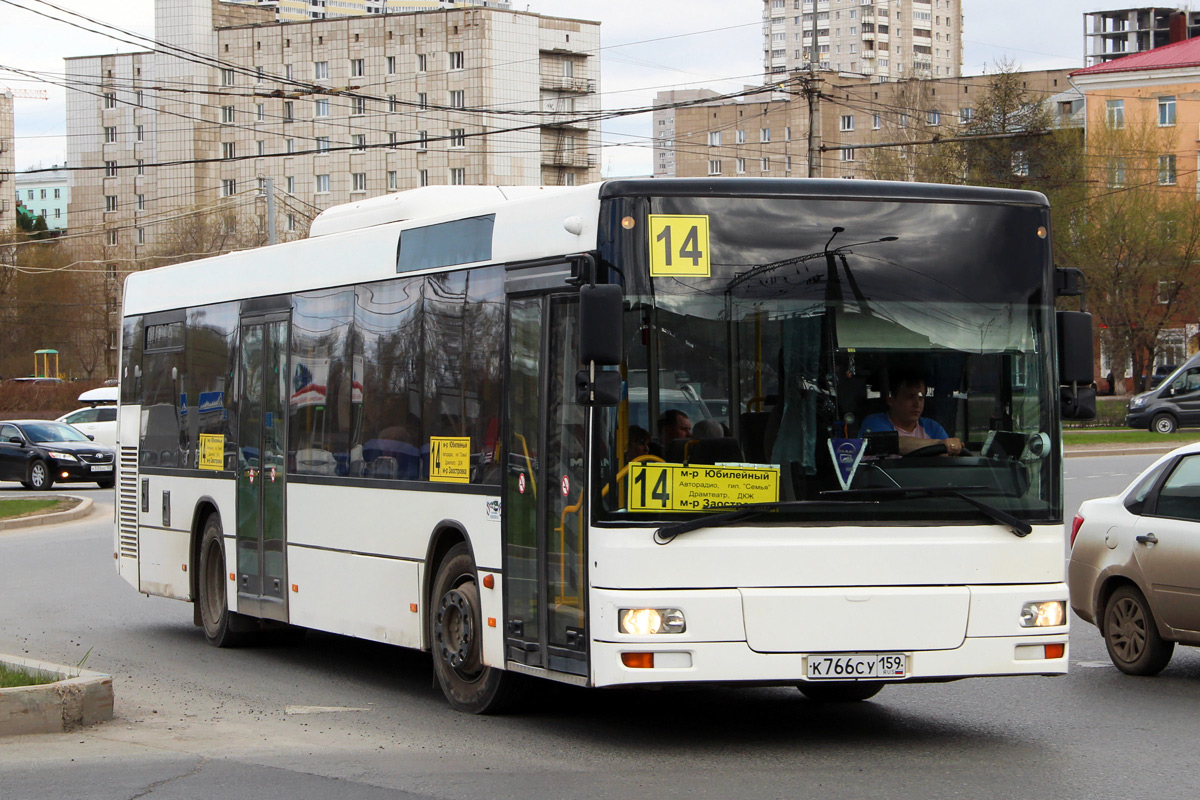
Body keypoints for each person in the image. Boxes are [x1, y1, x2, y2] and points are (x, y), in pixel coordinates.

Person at [860, 373, 965, 456]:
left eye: (921, 397)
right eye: (910, 397)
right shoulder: (874, 423)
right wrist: (940, 444)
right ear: (891, 400)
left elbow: (946, 456)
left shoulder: (932, 427)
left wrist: (953, 448)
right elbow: (894, 444)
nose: (917, 404)